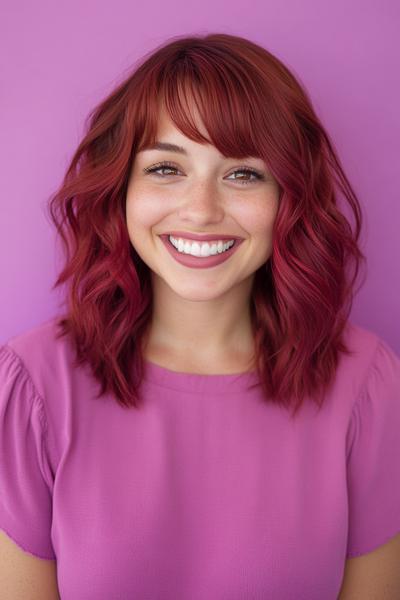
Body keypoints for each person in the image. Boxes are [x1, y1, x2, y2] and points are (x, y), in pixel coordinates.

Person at [1, 32, 399, 600]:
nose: (202, 211)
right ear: (121, 187)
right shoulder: (31, 384)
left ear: (290, 196)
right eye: (166, 168)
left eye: (243, 174)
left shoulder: (368, 385)